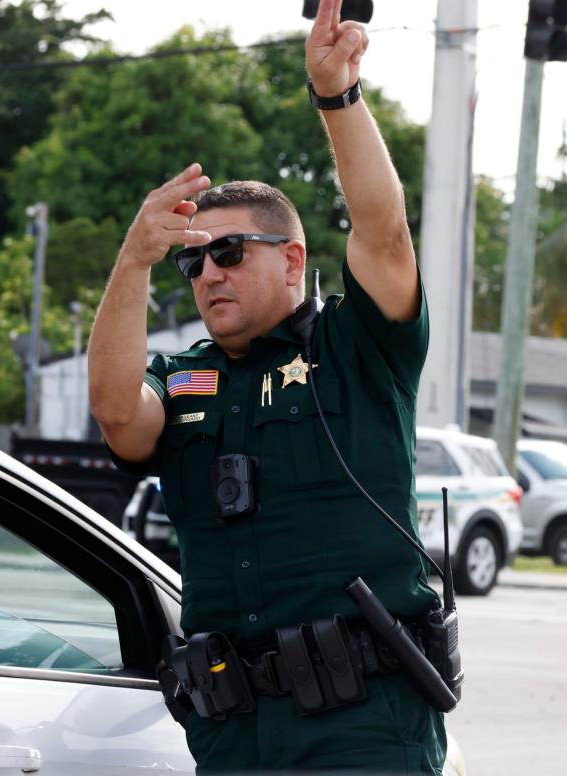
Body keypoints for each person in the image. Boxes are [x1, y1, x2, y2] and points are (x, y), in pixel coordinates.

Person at [89, 0, 445, 772]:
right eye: (193, 261)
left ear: (290, 260)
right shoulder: (182, 377)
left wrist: (335, 95)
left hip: (364, 727)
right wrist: (133, 260)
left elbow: (382, 233)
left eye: (228, 253)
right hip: (233, 730)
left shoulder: (360, 347)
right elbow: (118, 415)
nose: (207, 273)